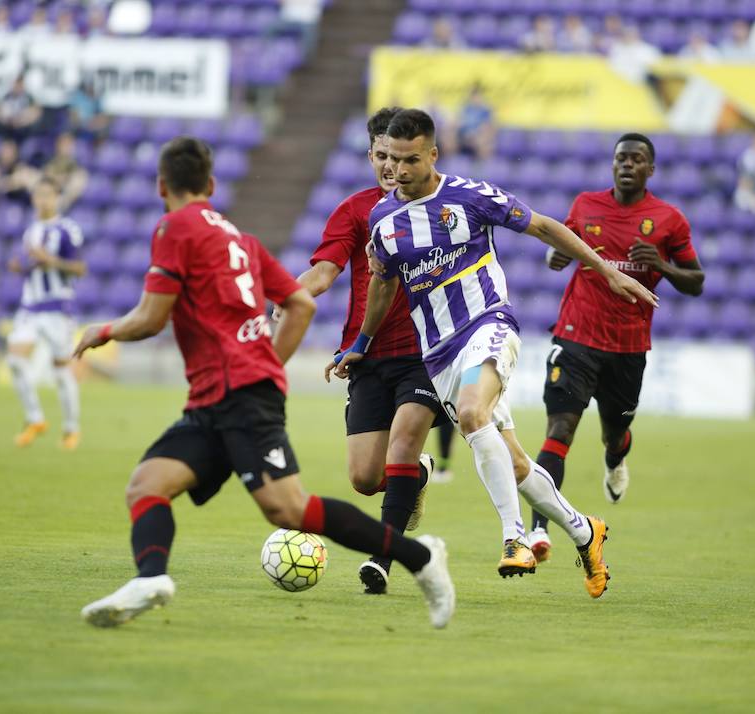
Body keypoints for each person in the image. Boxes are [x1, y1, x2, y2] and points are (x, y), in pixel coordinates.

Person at [74, 137, 454, 628]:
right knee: (147, 484)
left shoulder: (174, 227)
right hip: (219, 396)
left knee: (290, 509)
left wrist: (101, 331)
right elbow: (299, 303)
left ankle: (419, 559)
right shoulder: (240, 239)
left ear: (161, 186)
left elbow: (150, 319)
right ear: (211, 184)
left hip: (241, 396)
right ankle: (150, 578)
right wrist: (271, 365)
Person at [335, 109, 658, 596]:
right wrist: (361, 342)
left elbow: (545, 227)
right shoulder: (382, 220)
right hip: (439, 354)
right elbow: (382, 285)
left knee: (470, 412)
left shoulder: (470, 196)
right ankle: (584, 531)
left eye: (410, 161)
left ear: (433, 155)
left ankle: (515, 538)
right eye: (392, 160)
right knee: (516, 463)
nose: (398, 172)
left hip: (488, 324)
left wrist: (605, 271)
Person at [528, 133, 704, 561]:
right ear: (612, 165)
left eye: (637, 159)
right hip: (576, 335)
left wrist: (660, 265)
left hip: (628, 346)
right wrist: (559, 257)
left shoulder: (668, 219)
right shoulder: (586, 205)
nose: (627, 164)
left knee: (615, 432)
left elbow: (696, 281)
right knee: (560, 430)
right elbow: (564, 245)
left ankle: (614, 459)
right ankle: (538, 529)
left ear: (650, 170)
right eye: (621, 158)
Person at [296, 107, 441, 595]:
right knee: (364, 478)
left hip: (426, 350)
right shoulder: (355, 210)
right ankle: (416, 475)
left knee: (403, 440)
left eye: (395, 156)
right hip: (367, 356)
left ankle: (384, 560)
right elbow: (323, 272)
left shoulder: (438, 206)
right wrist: (287, 296)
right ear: (370, 154)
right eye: (379, 155)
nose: (388, 166)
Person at [6, 176, 86, 450]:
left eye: (48, 195)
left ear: (57, 198)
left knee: (61, 371)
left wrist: (50, 260)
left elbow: (79, 268)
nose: (43, 200)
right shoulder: (31, 231)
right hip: (30, 305)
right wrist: (22, 268)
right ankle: (35, 418)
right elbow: (33, 265)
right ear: (33, 198)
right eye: (39, 195)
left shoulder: (67, 229)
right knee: (15, 360)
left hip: (57, 307)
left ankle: (71, 429)